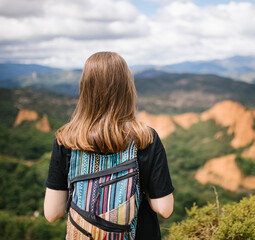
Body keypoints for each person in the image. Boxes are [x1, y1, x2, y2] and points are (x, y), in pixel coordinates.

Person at [44, 51, 174, 239]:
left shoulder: (66, 140)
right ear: (127, 88)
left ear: (85, 89)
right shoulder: (145, 138)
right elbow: (164, 208)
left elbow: (52, 212)